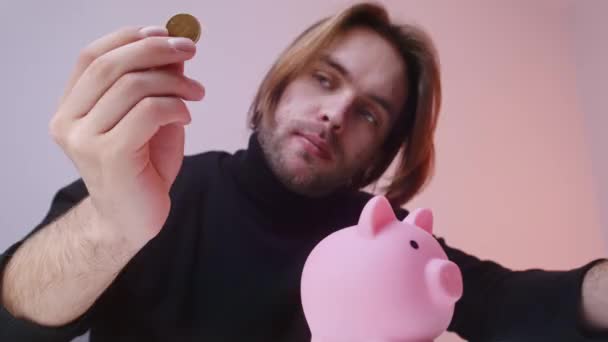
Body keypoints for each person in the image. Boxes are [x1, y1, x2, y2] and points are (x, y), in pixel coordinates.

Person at [0, 2, 606, 341]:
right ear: (276, 87)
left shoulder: (387, 240)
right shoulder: (155, 186)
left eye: (369, 112)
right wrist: (112, 225)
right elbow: (14, 319)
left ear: (378, 155)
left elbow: (507, 301)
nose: (336, 112)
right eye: (325, 78)